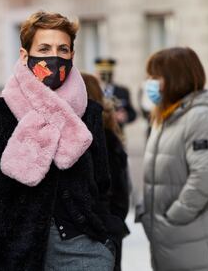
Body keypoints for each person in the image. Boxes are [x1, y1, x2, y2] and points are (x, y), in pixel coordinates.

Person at [0, 11, 121, 271]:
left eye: (63, 49)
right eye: (44, 48)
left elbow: (104, 184)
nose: (55, 56)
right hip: (17, 249)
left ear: (72, 55)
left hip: (82, 247)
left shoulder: (90, 112)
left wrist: (105, 238)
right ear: (25, 55)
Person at [140, 47, 208, 271]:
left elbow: (204, 176)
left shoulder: (200, 117)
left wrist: (174, 217)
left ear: (175, 78)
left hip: (199, 241)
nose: (149, 83)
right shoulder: (168, 116)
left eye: (155, 76)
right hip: (180, 243)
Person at [82, 72, 130, 271]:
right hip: (107, 231)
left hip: (100, 234)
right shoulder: (108, 134)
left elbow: (117, 191)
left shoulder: (101, 138)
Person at [95, 57, 137, 128]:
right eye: (103, 74)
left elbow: (132, 113)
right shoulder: (92, 90)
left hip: (118, 133)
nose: (105, 77)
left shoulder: (122, 91)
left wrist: (125, 116)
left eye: (108, 74)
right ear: (97, 74)